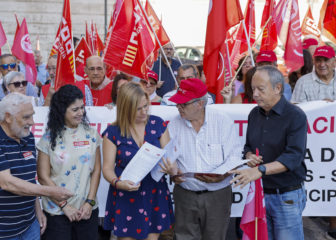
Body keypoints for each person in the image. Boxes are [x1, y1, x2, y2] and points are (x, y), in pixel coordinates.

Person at [0, 93, 73, 239]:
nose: (32, 122)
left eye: (32, 116)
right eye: (26, 117)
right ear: (7, 117)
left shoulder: (27, 137)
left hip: (29, 227)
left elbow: (29, 179)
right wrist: (51, 191)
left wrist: (37, 210)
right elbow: (7, 183)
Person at [230, 66, 307, 240]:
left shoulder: (295, 116)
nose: (254, 94)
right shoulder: (254, 114)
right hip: (259, 194)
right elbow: (248, 147)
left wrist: (260, 170)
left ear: (278, 88)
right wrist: (250, 157)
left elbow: (293, 157)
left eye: (260, 89)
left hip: (286, 196)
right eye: (252, 88)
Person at [160, 78, 241, 240]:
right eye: (177, 104)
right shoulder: (174, 125)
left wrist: (222, 175)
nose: (179, 108)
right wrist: (174, 172)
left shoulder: (222, 121)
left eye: (183, 104)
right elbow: (169, 156)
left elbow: (234, 156)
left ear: (200, 104)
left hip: (217, 195)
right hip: (185, 194)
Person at [102, 82, 174, 239]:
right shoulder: (113, 132)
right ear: (125, 108)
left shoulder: (158, 124)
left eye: (146, 106)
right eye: (138, 109)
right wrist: (117, 183)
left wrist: (171, 168)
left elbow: (170, 159)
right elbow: (107, 168)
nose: (144, 112)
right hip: (126, 194)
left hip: (154, 192)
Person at [37, 85, 101, 239]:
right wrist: (64, 206)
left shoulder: (91, 134)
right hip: (57, 212)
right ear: (62, 110)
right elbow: (42, 176)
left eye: (82, 108)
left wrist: (89, 203)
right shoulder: (48, 138)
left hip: (86, 211)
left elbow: (96, 171)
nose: (81, 113)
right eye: (74, 110)